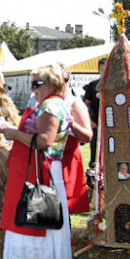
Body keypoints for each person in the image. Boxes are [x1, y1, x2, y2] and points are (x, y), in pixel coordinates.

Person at [0, 63, 72, 259]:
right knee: (43, 228)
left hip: (42, 172)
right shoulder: (48, 103)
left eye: (37, 84)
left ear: (52, 84)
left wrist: (14, 134)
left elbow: (43, 141)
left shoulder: (51, 104)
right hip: (41, 171)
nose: (32, 89)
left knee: (37, 228)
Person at [57, 62, 93, 214]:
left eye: (63, 80)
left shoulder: (74, 103)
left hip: (66, 160)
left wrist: (71, 124)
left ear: (68, 80)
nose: (60, 84)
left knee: (63, 207)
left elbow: (87, 136)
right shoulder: (39, 99)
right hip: (46, 159)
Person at [83, 57, 107, 170]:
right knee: (95, 153)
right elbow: (85, 105)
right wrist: (90, 121)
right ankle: (94, 176)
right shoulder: (93, 85)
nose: (104, 71)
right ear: (98, 70)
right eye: (102, 69)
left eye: (107, 69)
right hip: (96, 125)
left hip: (111, 125)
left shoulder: (114, 85)